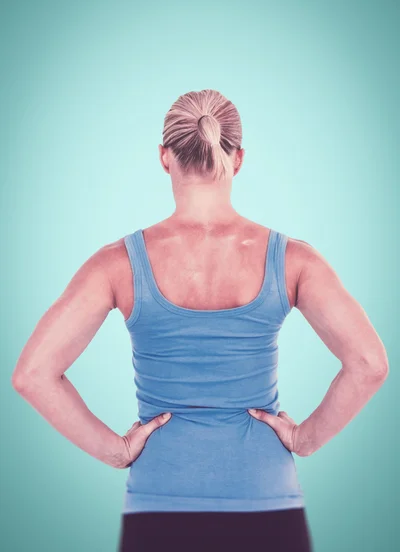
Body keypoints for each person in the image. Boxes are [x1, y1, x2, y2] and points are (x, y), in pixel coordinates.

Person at [11, 89, 389, 552]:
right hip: (268, 503)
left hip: (159, 507)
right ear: (239, 157)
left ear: (164, 157)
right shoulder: (292, 260)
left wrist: (116, 451)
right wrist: (305, 439)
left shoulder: (116, 264)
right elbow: (370, 364)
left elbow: (32, 375)